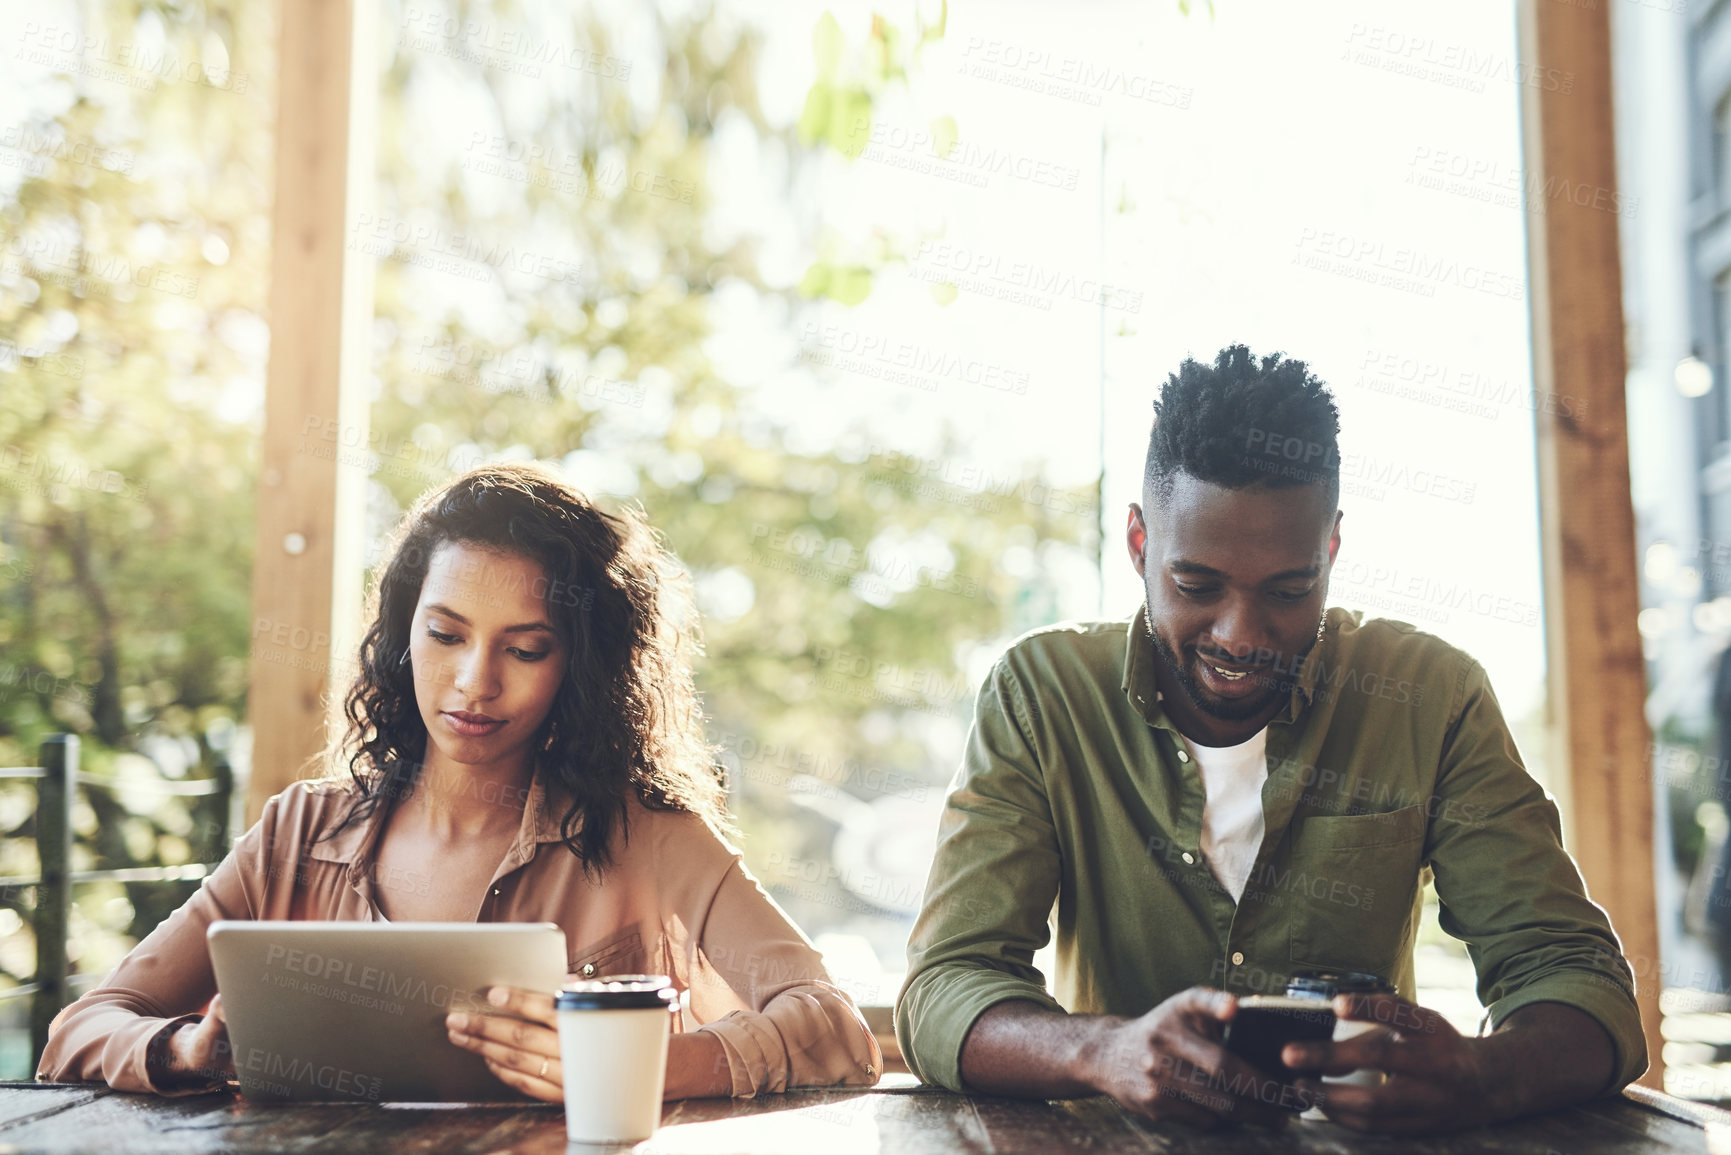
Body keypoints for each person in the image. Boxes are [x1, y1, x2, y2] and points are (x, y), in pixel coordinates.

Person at [894, 346, 1645, 1133]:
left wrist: (1485, 1075)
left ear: (1330, 550)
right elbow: (947, 984)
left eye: (1288, 590)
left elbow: (1572, 973)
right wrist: (1102, 1050)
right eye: (1197, 585)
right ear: (1139, 544)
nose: (1240, 635)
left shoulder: (1431, 697)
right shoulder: (1042, 694)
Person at [39, 462, 880, 1098]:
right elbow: (81, 1027)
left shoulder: (651, 838)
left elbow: (838, 1029)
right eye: (445, 634)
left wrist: (651, 1063)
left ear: (578, 668)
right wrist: (187, 1049)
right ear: (405, 633)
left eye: (524, 649)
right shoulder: (296, 835)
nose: (475, 682)